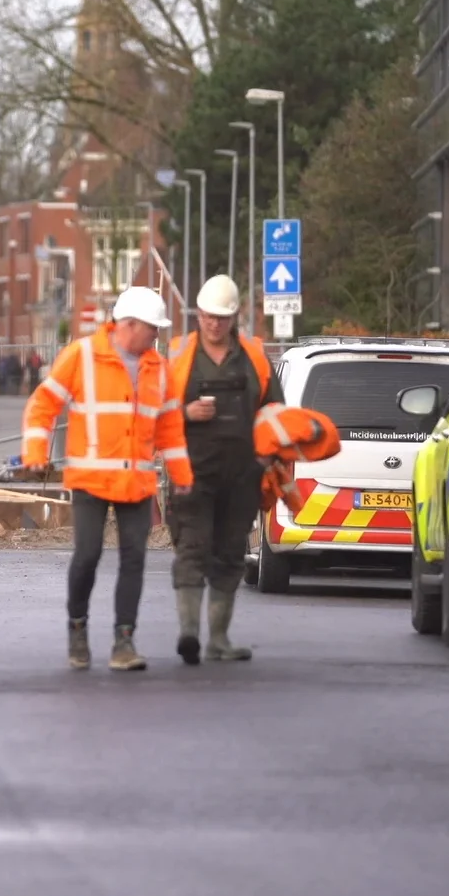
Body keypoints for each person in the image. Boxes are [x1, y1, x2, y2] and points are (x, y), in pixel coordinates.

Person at [23, 286, 191, 671]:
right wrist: (35, 452)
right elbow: (42, 405)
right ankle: (77, 629)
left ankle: (124, 642)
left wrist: (182, 476)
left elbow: (171, 429)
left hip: (137, 484)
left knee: (135, 559)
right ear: (129, 325)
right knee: (88, 555)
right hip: (90, 480)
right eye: (153, 328)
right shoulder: (81, 356)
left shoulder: (159, 368)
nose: (157, 336)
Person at [165, 275, 284, 666]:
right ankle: (188, 635)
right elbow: (153, 411)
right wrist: (185, 413)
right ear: (197, 313)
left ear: (234, 317)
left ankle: (218, 639)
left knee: (231, 553)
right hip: (191, 474)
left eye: (221, 317)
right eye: (207, 316)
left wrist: (268, 460)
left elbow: (275, 412)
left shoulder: (254, 356)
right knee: (192, 549)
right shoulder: (178, 354)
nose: (213, 324)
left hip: (242, 476)